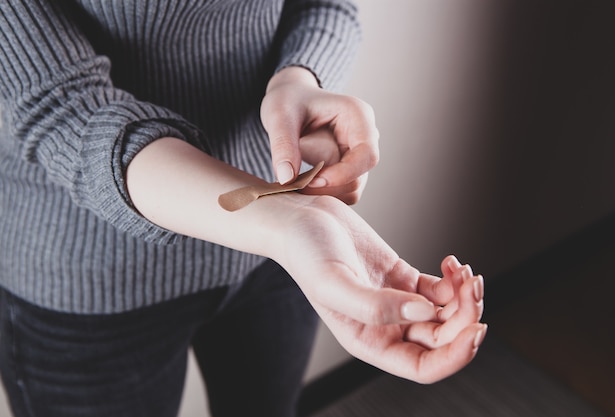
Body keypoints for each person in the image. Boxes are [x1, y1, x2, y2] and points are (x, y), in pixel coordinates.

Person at [0, 1, 487, 416]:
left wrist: (298, 79)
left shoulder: (294, 238)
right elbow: (61, 106)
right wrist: (285, 224)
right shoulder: (287, 230)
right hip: (87, 285)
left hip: (276, 257)